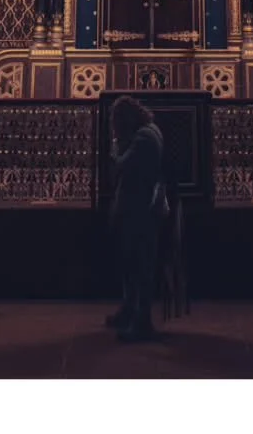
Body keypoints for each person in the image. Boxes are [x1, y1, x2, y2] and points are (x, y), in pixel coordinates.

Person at [106, 96, 165, 341]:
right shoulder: (151, 130)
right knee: (131, 262)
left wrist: (115, 148)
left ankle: (141, 320)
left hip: (138, 208)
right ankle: (130, 309)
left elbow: (121, 166)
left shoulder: (142, 139)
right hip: (140, 206)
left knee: (138, 264)